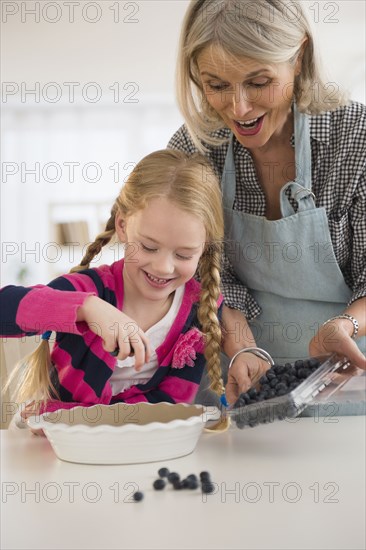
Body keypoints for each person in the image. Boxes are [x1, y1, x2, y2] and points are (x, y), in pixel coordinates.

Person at [168, 0, 366, 404]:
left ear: (299, 58)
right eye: (217, 85)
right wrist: (242, 347)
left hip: (350, 375)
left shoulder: (355, 137)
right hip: (241, 381)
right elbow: (202, 278)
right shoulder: (194, 150)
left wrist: (343, 326)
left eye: (258, 82)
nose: (238, 108)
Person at [1, 149, 233, 423]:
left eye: (183, 255)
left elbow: (170, 406)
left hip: (128, 444)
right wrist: (88, 309)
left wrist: (92, 418)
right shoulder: (89, 290)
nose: (163, 267)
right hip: (57, 445)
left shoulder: (199, 310)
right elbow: (6, 308)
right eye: (148, 247)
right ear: (123, 226)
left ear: (204, 248)